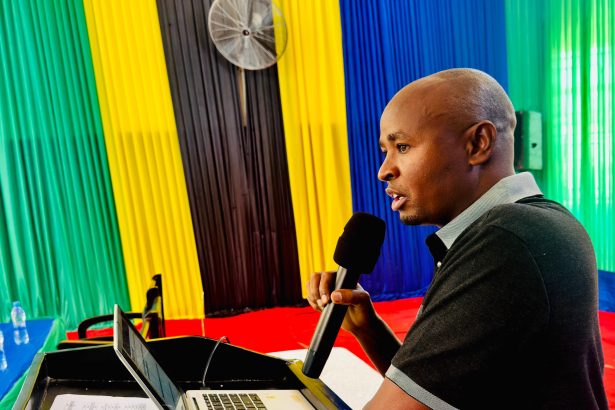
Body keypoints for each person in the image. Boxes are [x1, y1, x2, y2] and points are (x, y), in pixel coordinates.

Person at [307, 68, 608, 409]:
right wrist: (368, 328)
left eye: (402, 146)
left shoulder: (504, 238)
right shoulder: (540, 220)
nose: (384, 170)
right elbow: (441, 392)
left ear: (478, 144)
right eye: (385, 151)